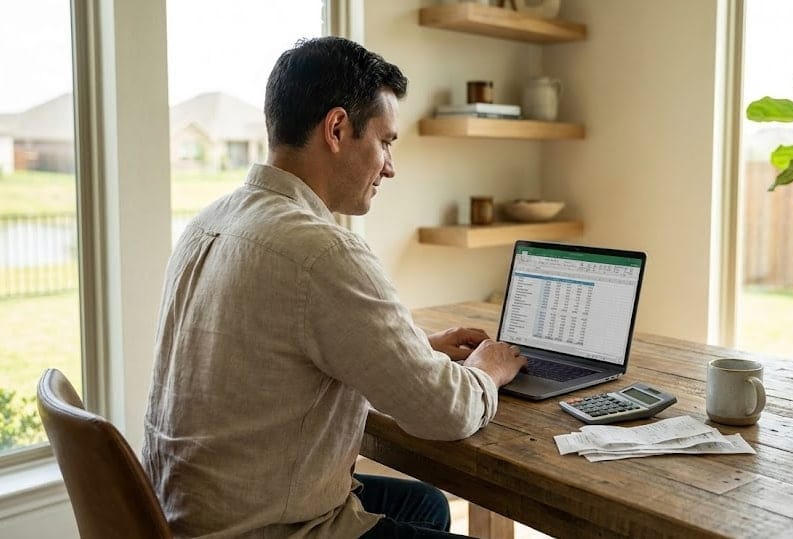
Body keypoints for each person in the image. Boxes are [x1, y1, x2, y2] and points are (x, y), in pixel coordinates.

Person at [143, 36, 526, 538]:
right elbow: (447, 411)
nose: (389, 165)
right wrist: (488, 370)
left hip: (188, 513)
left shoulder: (210, 221)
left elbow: (273, 350)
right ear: (338, 128)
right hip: (271, 528)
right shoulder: (321, 251)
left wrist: (417, 348)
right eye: (386, 141)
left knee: (427, 505)